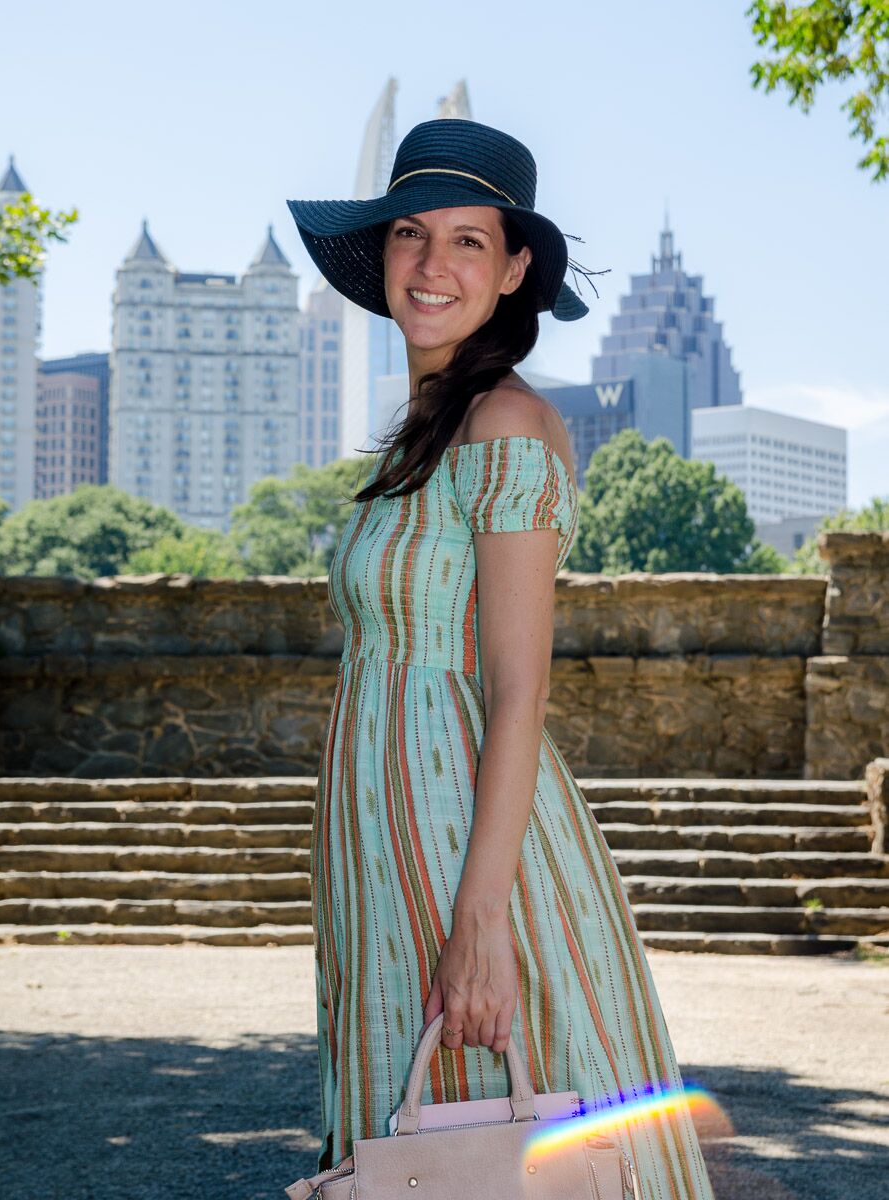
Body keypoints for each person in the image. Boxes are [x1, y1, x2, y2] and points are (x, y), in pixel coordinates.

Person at [287, 117, 716, 1199]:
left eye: (468, 241)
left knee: (501, 1141)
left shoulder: (506, 425)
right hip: (387, 844)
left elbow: (519, 686)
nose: (433, 265)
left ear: (514, 267)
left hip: (461, 847)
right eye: (412, 235)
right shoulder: (430, 426)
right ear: (383, 253)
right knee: (417, 1146)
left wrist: (480, 920)